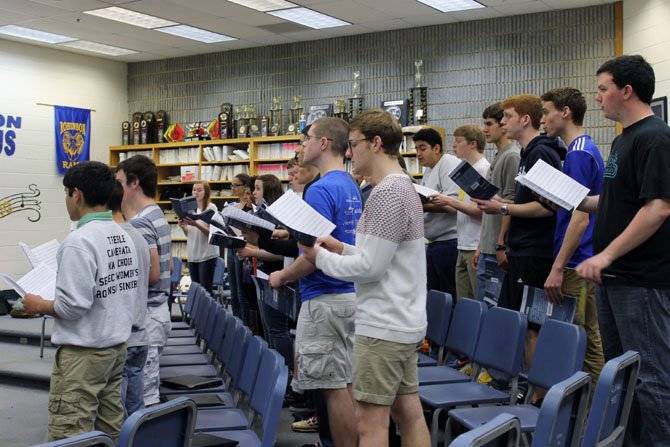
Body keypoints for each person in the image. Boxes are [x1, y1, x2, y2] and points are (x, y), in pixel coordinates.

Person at [301, 109, 430, 447]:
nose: (349, 152)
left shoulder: (387, 194)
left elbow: (371, 268)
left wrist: (320, 257)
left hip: (383, 326)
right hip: (402, 320)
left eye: (354, 144)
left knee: (371, 424)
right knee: (409, 414)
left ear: (375, 143)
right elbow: (380, 256)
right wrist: (341, 248)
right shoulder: (402, 187)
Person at [575, 55, 670, 446]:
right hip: (613, 280)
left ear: (626, 90)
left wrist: (607, 254)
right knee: (622, 377)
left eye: (602, 88)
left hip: (640, 281)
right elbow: (617, 200)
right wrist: (575, 199)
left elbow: (658, 208)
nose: (597, 97)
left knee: (651, 379)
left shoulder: (655, 137)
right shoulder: (622, 138)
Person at [23, 161, 140, 440]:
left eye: (66, 194)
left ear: (77, 194)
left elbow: (72, 306)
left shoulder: (79, 241)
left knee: (71, 431)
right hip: (114, 347)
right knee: (108, 428)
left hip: (84, 354)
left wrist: (38, 305)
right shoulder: (123, 236)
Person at [269, 117, 362, 447]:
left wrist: (281, 275)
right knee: (347, 383)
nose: (301, 145)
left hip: (325, 298)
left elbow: (312, 256)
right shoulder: (349, 184)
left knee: (333, 388)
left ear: (324, 143)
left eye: (306, 138)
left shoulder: (320, 189)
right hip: (350, 294)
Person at [474, 94, 565, 368]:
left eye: (508, 116)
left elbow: (547, 207)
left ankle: (539, 398)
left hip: (534, 251)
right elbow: (529, 201)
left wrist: (503, 210)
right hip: (524, 249)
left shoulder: (540, 152)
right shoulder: (529, 152)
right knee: (522, 324)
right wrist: (503, 203)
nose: (503, 122)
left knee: (532, 326)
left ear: (525, 120)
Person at [539, 87, 605, 385]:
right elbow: (577, 204)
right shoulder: (582, 148)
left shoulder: (578, 153)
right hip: (579, 257)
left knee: (583, 339)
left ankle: (592, 418)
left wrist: (557, 267)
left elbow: (580, 218)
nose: (543, 120)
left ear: (564, 112)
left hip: (576, 261)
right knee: (585, 335)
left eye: (546, 112)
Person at [115, 154, 172, 407]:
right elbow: (167, 264)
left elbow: (152, 274)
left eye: (119, 182)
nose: (116, 188)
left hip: (149, 315)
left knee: (144, 399)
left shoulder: (141, 223)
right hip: (158, 311)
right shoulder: (156, 213)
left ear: (134, 182)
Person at [107, 181, 153, 416]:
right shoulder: (137, 235)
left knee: (116, 415)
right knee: (135, 410)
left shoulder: (111, 239)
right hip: (140, 332)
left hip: (122, 337)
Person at [430, 124, 489, 300]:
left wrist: (448, 200)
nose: (454, 146)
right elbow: (464, 205)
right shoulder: (467, 170)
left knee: (478, 301)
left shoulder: (483, 169)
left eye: (458, 141)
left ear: (472, 144)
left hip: (475, 244)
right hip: (462, 244)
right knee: (464, 302)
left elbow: (482, 210)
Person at [474, 103, 520, 304]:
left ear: (503, 125)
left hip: (496, 248)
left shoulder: (512, 156)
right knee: (483, 306)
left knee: (493, 308)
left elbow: (510, 204)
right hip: (487, 246)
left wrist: (500, 244)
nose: (485, 129)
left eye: (489, 124)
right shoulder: (499, 156)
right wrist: (480, 245)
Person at [413, 127, 460, 297]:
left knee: (449, 294)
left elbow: (454, 202)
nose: (418, 153)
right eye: (416, 149)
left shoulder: (448, 162)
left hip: (449, 241)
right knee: (435, 294)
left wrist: (421, 205)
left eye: (423, 148)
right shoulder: (428, 171)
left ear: (437, 148)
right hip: (433, 241)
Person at [179, 181, 219, 293]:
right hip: (193, 255)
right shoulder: (190, 209)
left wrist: (196, 224)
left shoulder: (212, 208)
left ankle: (208, 311)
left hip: (207, 255)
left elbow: (213, 234)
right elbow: (190, 234)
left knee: (205, 291)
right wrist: (184, 227)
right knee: (196, 291)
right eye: (194, 189)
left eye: (199, 190)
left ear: (206, 192)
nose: (195, 192)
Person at [227, 173, 253, 326]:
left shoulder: (249, 207)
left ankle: (245, 329)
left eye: (236, 185)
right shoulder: (232, 206)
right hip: (231, 247)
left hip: (244, 248)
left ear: (245, 187)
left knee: (242, 293)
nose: (233, 188)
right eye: (232, 185)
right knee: (234, 291)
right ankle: (236, 328)